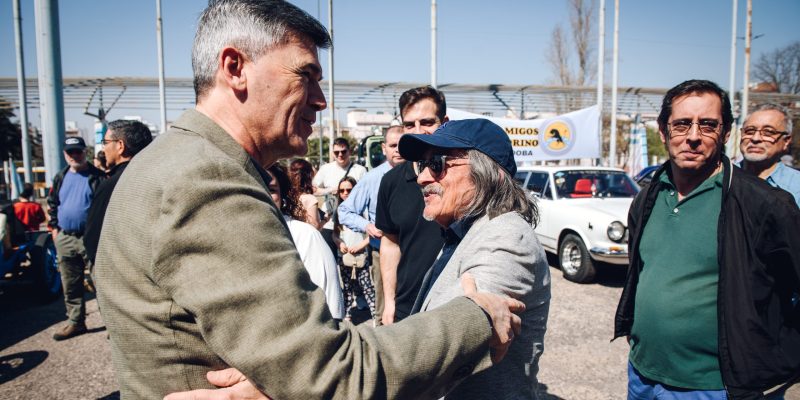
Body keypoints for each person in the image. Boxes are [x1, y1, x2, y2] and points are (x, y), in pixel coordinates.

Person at [94, 1, 523, 399]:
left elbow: (298, 368)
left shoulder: (180, 162)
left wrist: (273, 386)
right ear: (235, 67)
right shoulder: (204, 178)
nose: (320, 99)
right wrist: (477, 319)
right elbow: (333, 375)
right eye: (306, 75)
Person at [614, 79, 800, 399]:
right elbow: (641, 271)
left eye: (708, 125)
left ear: (726, 134)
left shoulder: (765, 204)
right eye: (682, 124)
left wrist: (777, 361)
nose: (694, 136)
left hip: (712, 387)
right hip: (642, 375)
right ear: (663, 131)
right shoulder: (647, 197)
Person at [400, 118, 551, 400]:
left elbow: (440, 344)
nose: (421, 177)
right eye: (423, 165)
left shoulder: (507, 236)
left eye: (437, 164)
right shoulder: (462, 232)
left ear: (490, 174)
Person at [375, 86, 448, 324]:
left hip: (453, 307)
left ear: (444, 122)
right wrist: (390, 303)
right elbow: (390, 244)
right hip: (407, 310)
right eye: (409, 125)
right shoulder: (391, 181)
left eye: (427, 122)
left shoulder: (463, 176)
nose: (417, 131)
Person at [338, 125, 405, 325]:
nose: (398, 150)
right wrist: (368, 226)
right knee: (384, 304)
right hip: (382, 251)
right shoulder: (372, 178)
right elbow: (345, 211)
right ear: (384, 148)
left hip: (413, 249)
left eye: (402, 145)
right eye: (393, 145)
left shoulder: (420, 173)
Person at [267, 164, 344, 320]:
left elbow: (330, 306)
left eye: (272, 190)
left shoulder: (306, 236)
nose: (263, 194)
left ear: (283, 196)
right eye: (256, 186)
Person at [47, 136, 105, 341]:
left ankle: (112, 324)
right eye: (70, 152)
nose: (75, 156)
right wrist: (54, 229)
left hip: (90, 239)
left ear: (85, 152)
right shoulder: (60, 176)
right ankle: (76, 322)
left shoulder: (97, 177)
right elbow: (53, 203)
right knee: (70, 283)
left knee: (102, 282)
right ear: (65, 154)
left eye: (78, 151)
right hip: (65, 237)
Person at [84, 119, 153, 265]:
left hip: (118, 270)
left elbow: (93, 236)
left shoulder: (112, 185)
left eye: (106, 142)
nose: (104, 149)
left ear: (120, 146)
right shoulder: (157, 177)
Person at [331, 176, 376, 322]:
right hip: (344, 256)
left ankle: (376, 314)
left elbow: (372, 234)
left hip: (361, 254)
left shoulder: (364, 211)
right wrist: (339, 243)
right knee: (347, 287)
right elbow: (335, 233)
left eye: (349, 190)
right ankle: (347, 315)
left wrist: (360, 246)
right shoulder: (338, 211)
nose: (345, 193)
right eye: (342, 190)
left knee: (366, 285)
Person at [738, 103, 800, 207]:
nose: (755, 138)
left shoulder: (796, 186)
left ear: (786, 141)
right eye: (749, 131)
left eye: (768, 132)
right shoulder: (723, 177)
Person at [313, 137, 367, 253]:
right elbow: (313, 189)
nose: (340, 155)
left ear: (350, 151)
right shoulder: (325, 169)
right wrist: (330, 190)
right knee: (330, 258)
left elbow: (366, 194)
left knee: (351, 261)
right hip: (329, 222)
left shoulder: (360, 170)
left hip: (349, 225)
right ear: (332, 153)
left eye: (343, 152)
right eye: (336, 152)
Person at [287, 158, 322, 229]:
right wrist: (325, 220)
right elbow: (314, 227)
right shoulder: (310, 199)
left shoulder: (287, 196)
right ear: (309, 176)